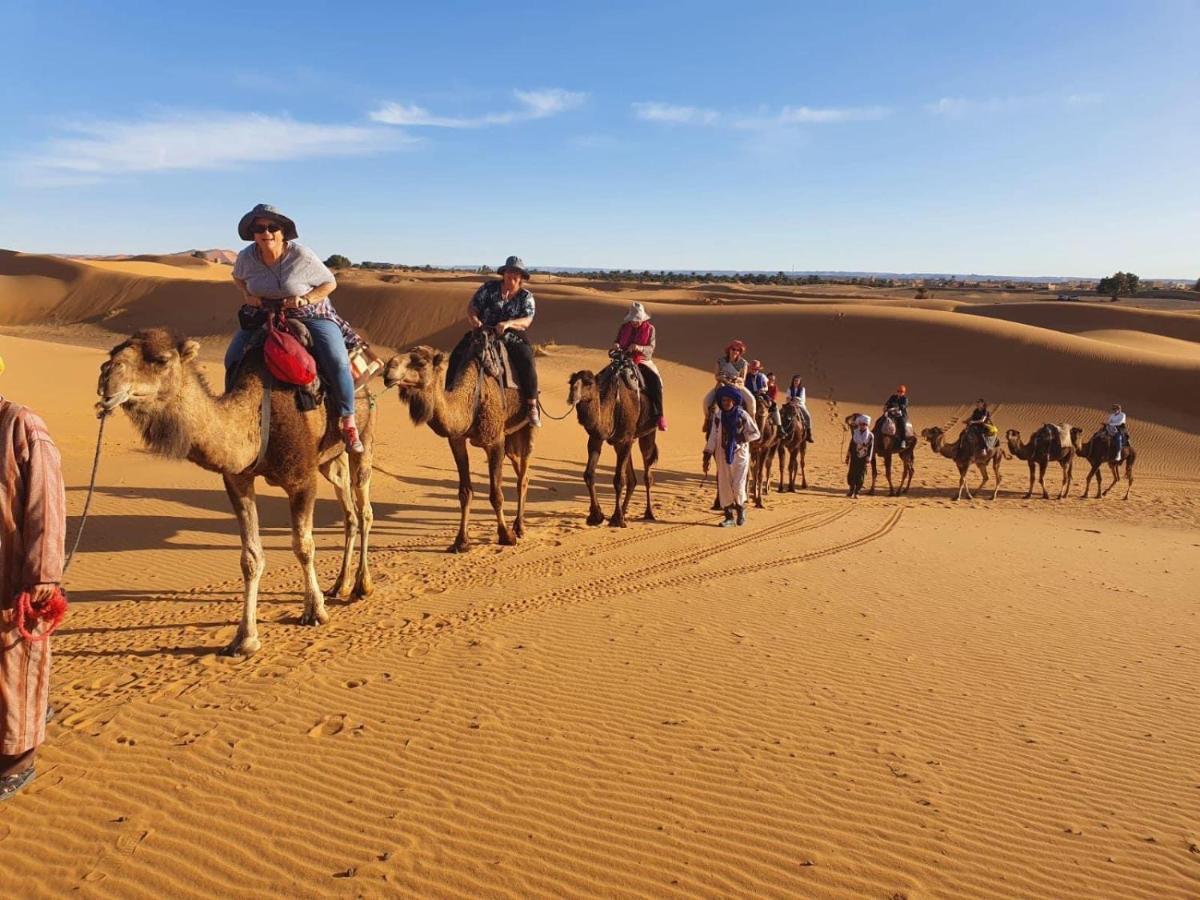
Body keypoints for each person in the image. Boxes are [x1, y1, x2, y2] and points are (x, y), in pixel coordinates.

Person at [224, 203, 364, 453]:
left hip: (310, 314)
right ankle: (231, 411)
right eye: (259, 228)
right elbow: (237, 277)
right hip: (264, 315)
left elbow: (329, 283)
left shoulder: (301, 256)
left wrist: (306, 299)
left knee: (337, 360)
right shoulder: (246, 257)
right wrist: (247, 294)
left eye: (272, 227)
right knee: (233, 357)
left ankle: (348, 420)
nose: (265, 232)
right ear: (252, 233)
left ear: (283, 232)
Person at [0, 353, 66, 802]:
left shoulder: (23, 426)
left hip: (15, 572)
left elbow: (46, 500)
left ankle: (18, 762)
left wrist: (43, 572)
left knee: (15, 663)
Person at [447, 256, 540, 427]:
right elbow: (472, 306)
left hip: (511, 335)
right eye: (510, 271)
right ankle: (448, 394)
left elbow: (527, 320)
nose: (513, 275)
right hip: (483, 331)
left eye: (517, 273)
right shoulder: (489, 288)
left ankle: (531, 405)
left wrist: (509, 323)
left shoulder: (526, 296)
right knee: (457, 353)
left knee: (526, 359)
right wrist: (474, 319)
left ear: (521, 277)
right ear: (504, 273)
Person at [702, 386, 761, 527]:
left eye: (729, 400)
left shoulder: (742, 414)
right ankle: (728, 517)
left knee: (738, 485)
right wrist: (707, 454)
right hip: (722, 455)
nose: (726, 403)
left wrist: (740, 437)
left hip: (739, 454)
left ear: (734, 401)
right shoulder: (718, 416)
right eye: (723, 400)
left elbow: (756, 433)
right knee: (724, 485)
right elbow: (713, 436)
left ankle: (741, 509)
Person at [612, 302, 666, 431]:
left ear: (642, 319)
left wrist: (638, 347)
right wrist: (616, 345)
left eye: (637, 320)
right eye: (632, 320)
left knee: (655, 382)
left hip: (642, 360)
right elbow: (617, 340)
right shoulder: (624, 327)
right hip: (623, 359)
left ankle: (660, 415)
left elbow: (651, 349)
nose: (634, 322)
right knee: (605, 377)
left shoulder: (650, 329)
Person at [700, 341, 757, 431]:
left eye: (738, 350)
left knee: (751, 401)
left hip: (737, 386)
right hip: (722, 385)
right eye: (733, 349)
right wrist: (722, 377)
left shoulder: (743, 363)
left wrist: (735, 379)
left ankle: (752, 424)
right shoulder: (721, 361)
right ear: (729, 350)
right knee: (706, 401)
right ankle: (707, 420)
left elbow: (743, 378)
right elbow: (716, 375)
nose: (735, 352)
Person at [745, 360, 782, 429]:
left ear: (758, 369)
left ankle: (777, 424)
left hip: (760, 394)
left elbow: (766, 386)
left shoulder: (762, 376)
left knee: (772, 404)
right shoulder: (746, 376)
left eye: (756, 369)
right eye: (753, 369)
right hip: (749, 394)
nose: (754, 370)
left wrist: (762, 389)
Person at [845, 414, 874, 498]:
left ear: (867, 425)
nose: (863, 426)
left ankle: (857, 491)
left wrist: (869, 457)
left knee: (861, 474)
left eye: (865, 424)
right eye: (861, 424)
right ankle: (851, 489)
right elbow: (851, 445)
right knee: (851, 473)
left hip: (863, 457)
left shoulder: (870, 435)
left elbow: (871, 447)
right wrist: (848, 456)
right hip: (854, 456)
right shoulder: (855, 433)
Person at [786, 375, 815, 443]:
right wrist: (791, 400)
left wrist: (793, 399)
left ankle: (808, 434)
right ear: (793, 381)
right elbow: (787, 398)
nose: (796, 382)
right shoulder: (789, 389)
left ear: (799, 382)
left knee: (808, 416)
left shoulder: (802, 389)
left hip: (800, 406)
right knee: (781, 413)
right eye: (795, 380)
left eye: (797, 381)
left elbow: (801, 398)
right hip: (790, 405)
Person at [882, 384, 909, 449]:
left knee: (902, 424)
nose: (899, 393)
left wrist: (895, 408)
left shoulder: (905, 399)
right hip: (891, 413)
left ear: (904, 393)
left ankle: (903, 441)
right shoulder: (893, 397)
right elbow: (888, 403)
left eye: (901, 392)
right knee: (882, 420)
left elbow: (903, 406)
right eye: (898, 391)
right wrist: (885, 408)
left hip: (901, 415)